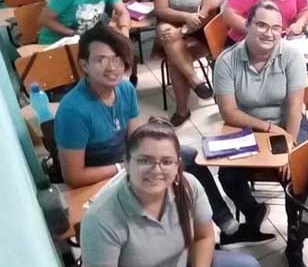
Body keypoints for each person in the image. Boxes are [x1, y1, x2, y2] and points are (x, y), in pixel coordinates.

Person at [55, 24, 270, 246]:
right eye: (101, 60)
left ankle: (226, 227)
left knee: (186, 156)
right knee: (171, 173)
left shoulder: (124, 89)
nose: (112, 67)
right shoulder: (74, 111)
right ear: (85, 65)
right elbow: (74, 176)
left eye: (118, 59)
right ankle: (192, 240)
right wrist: (124, 167)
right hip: (103, 181)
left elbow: (136, 137)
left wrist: (156, 149)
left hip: (130, 166)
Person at [79, 117, 261, 267]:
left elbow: (204, 237)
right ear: (126, 162)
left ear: (177, 165)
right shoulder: (101, 217)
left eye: (166, 162)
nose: (156, 170)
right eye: (145, 160)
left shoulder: (189, 186)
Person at [214, 0, 308, 267]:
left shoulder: (291, 55)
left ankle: (294, 245)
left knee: (298, 178)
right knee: (228, 176)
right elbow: (230, 112)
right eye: (261, 25)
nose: (269, 33)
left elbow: (295, 107)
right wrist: (268, 129)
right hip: (250, 127)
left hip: (290, 124)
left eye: (275, 28)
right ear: (246, 25)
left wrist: (288, 150)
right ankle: (253, 212)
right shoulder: (227, 61)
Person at [154, 0, 224, 126]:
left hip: (201, 33)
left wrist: (182, 31)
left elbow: (204, 15)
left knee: (175, 59)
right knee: (165, 30)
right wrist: (184, 17)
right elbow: (160, 10)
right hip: (170, 30)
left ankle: (182, 111)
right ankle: (194, 79)